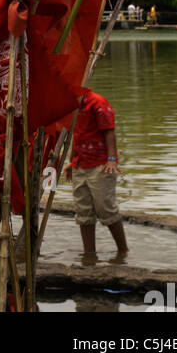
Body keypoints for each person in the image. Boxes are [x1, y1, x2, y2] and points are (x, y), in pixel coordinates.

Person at [63, 90, 128, 262]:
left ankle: (123, 252)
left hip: (100, 165)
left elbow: (109, 132)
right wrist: (71, 161)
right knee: (83, 211)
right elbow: (77, 135)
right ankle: (89, 255)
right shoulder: (72, 105)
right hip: (80, 164)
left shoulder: (98, 103)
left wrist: (112, 160)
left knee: (105, 207)